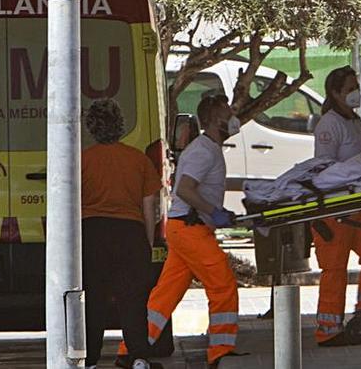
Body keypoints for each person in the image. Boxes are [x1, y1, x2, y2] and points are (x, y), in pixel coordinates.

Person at [119, 94, 242, 368]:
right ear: (212, 119)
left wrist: (213, 213)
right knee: (223, 285)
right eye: (227, 112)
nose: (233, 117)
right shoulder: (203, 150)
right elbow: (185, 189)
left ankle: (130, 348)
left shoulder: (207, 148)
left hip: (186, 228)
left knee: (165, 295)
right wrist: (213, 211)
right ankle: (220, 350)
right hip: (190, 228)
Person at [310, 66, 361, 346]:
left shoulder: (354, 121)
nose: (356, 91)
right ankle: (328, 330)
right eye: (350, 88)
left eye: (356, 85)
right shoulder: (329, 125)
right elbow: (325, 168)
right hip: (336, 209)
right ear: (335, 93)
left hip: (358, 204)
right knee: (334, 269)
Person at [81, 99, 163, 369]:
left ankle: (90, 360)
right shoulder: (138, 160)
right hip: (130, 234)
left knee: (93, 300)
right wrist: (147, 243)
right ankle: (139, 357)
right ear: (120, 125)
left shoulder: (82, 160)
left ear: (92, 127)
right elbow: (149, 205)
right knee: (133, 301)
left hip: (92, 234)